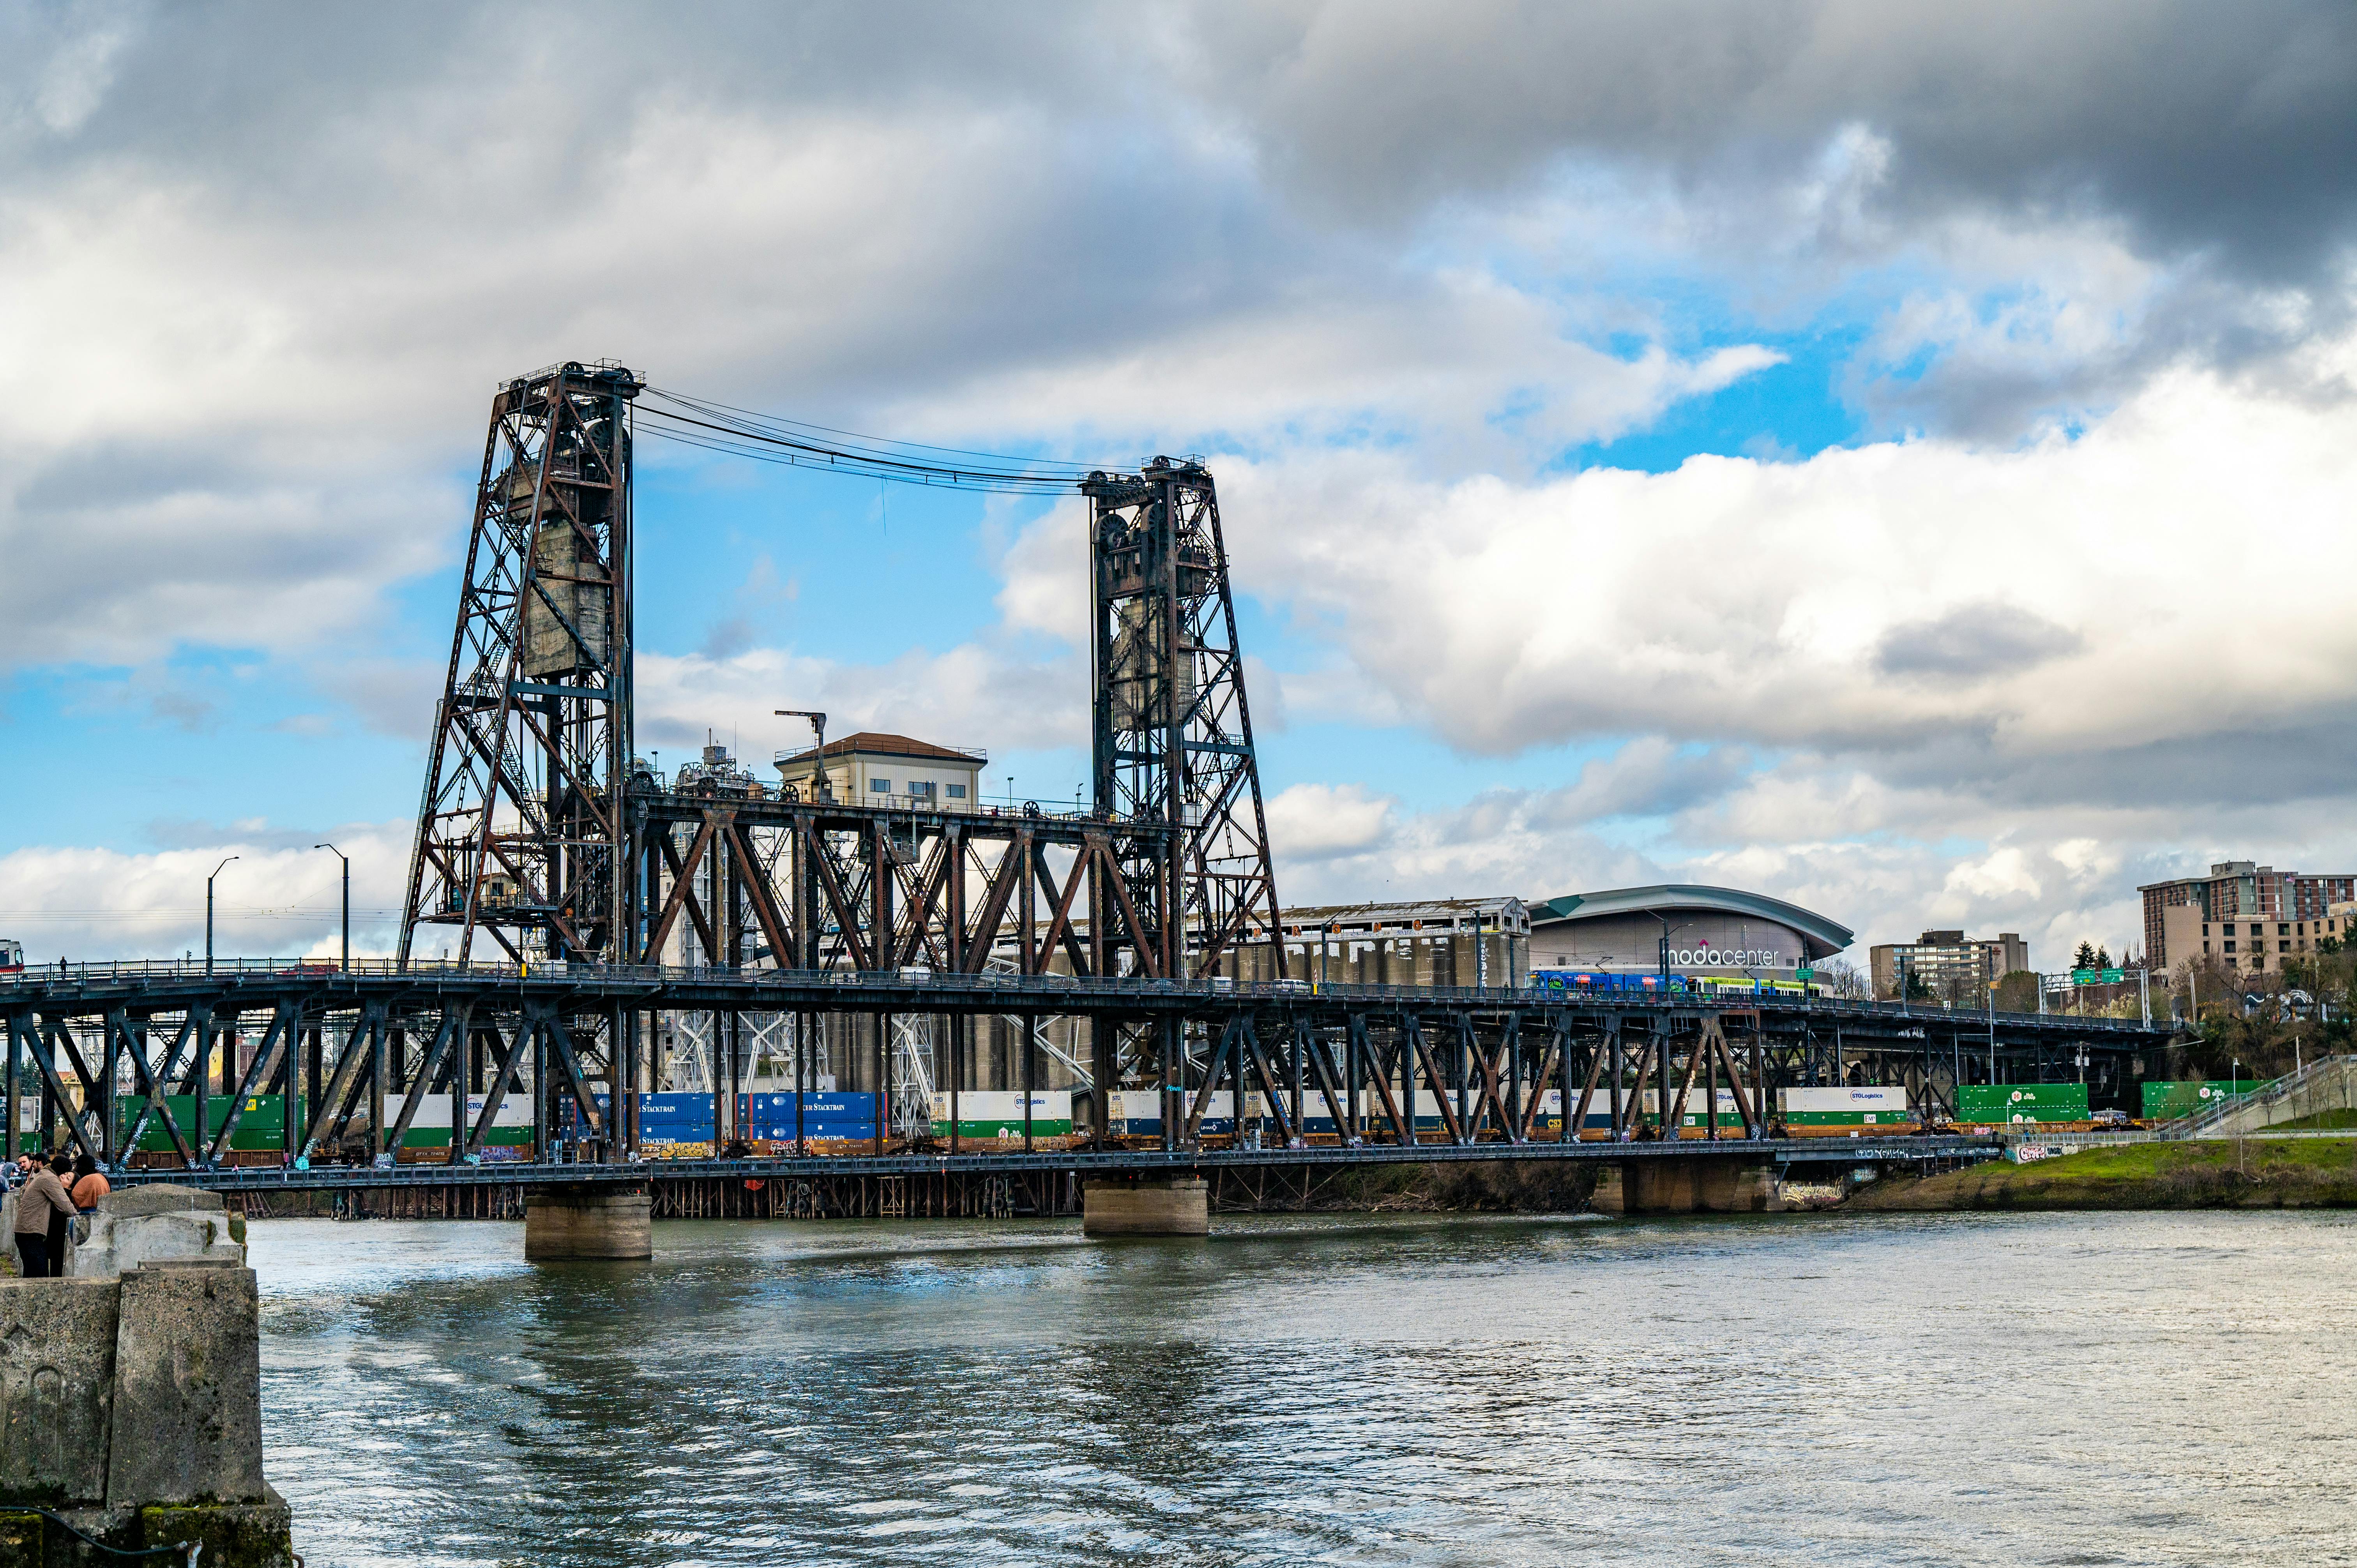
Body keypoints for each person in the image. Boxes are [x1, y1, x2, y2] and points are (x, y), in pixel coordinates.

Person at [12, 1156, 74, 1278]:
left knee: (31, 1274)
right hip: (31, 1233)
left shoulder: (44, 1174)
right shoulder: (50, 1179)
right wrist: (79, 1214)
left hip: (26, 1231)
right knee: (39, 1277)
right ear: (62, 1172)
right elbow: (66, 1206)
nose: (63, 1177)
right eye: (65, 1174)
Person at [69, 1155, 109, 1227]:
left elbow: (76, 1194)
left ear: (80, 1167)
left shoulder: (87, 1180)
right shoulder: (101, 1177)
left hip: (87, 1213)